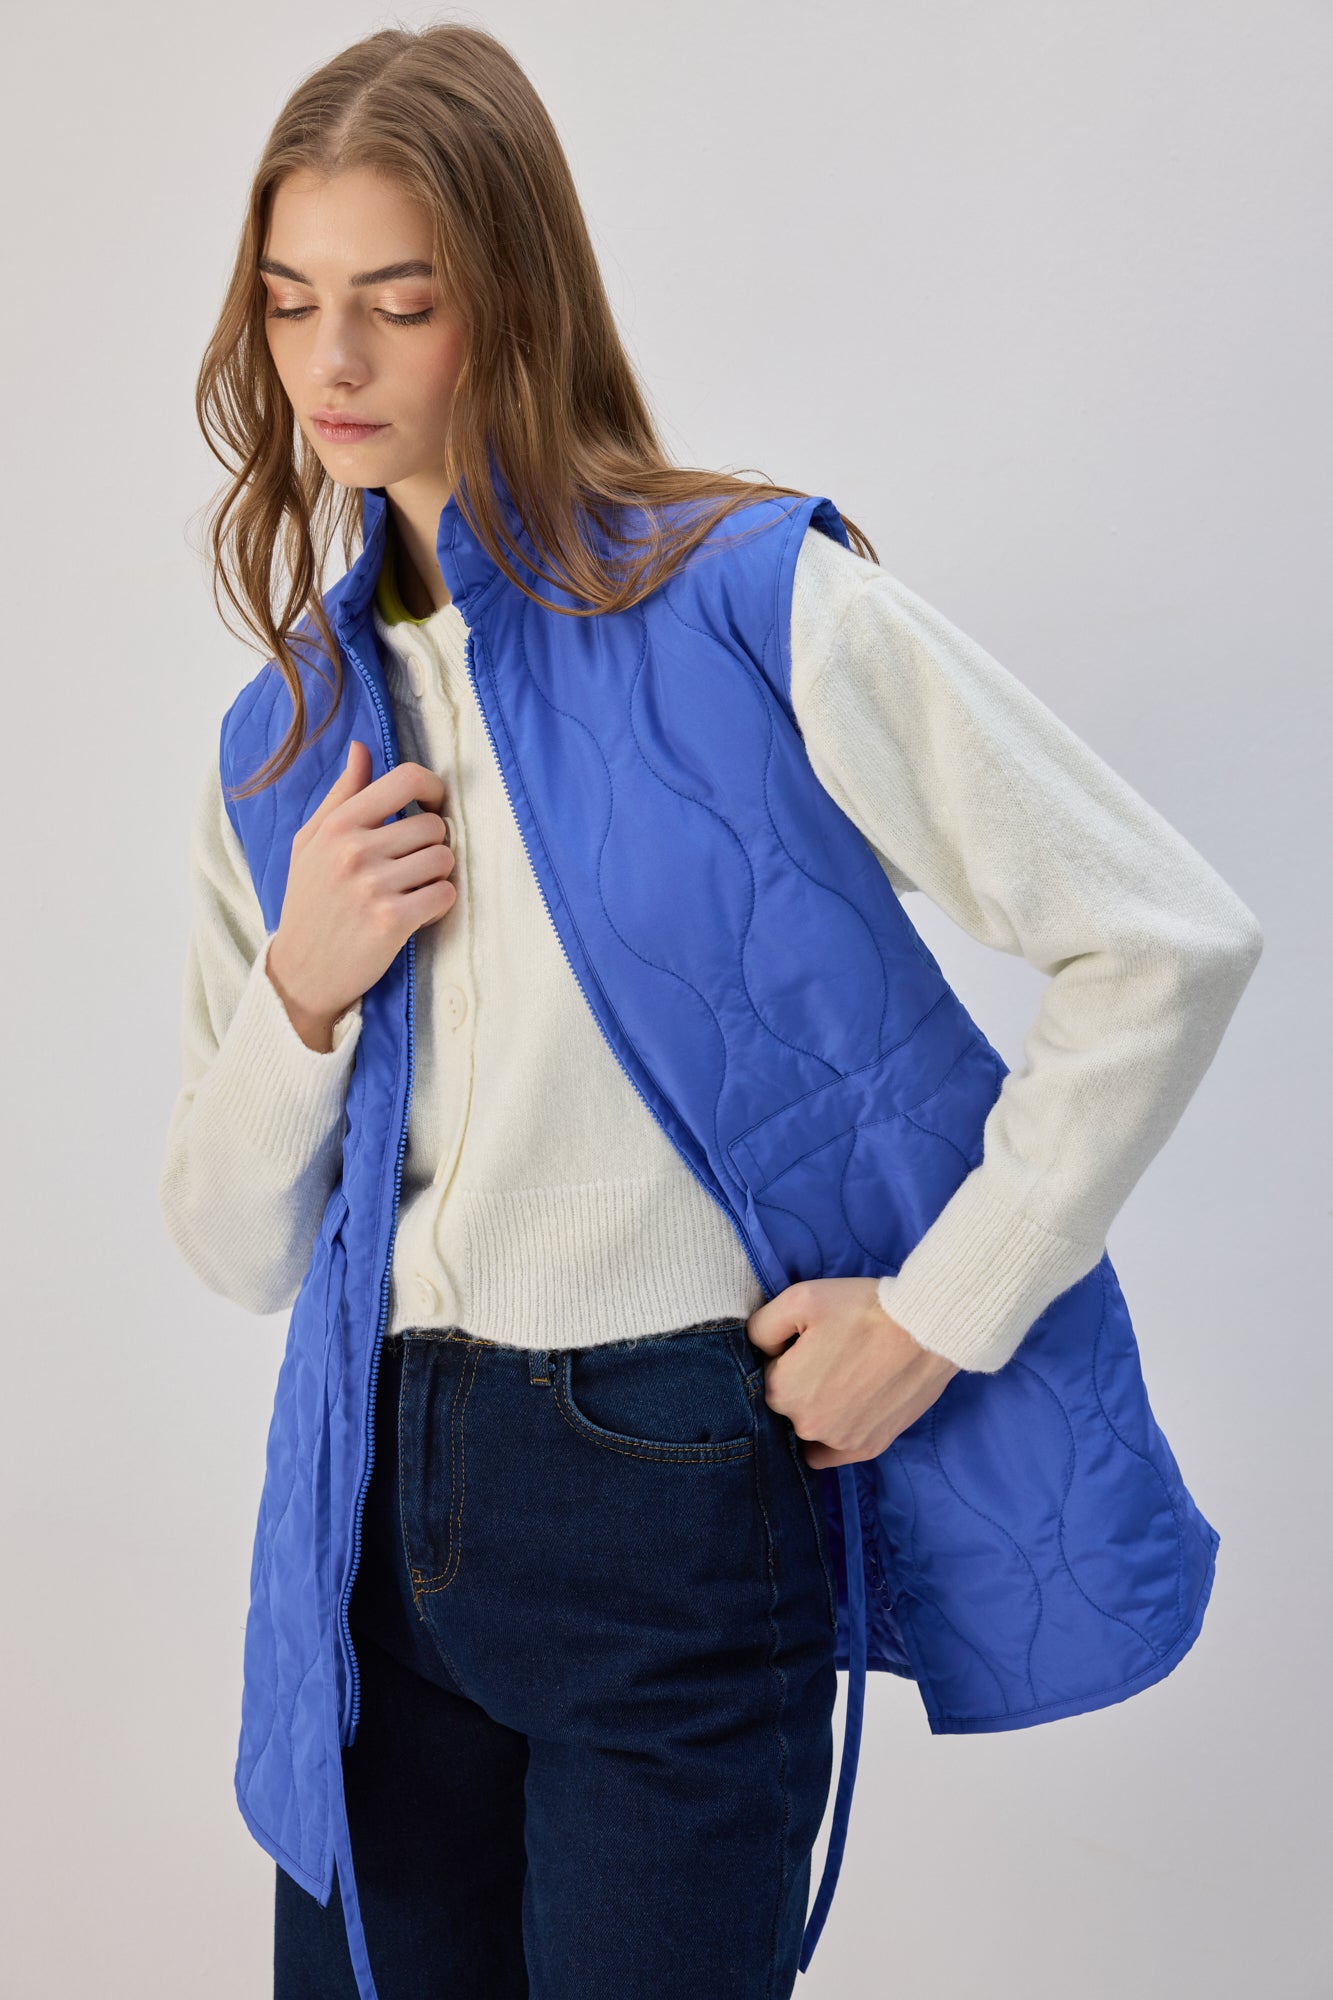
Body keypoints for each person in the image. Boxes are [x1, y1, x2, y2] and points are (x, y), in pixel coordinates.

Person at [157, 22, 1263, 2000]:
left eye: (398, 302)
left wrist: (938, 1313)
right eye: (291, 302)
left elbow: (1163, 938)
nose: (333, 363)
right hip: (366, 1518)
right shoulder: (285, 733)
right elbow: (233, 1245)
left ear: (510, 301)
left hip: (663, 1487)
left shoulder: (746, 597)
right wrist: (299, 991)